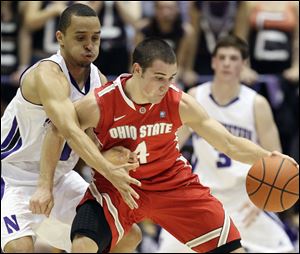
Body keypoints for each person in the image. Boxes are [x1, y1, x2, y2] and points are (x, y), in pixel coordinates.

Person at [47, 37, 298, 253]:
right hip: (119, 186)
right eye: (159, 78)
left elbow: (228, 143)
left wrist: (268, 156)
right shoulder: (100, 103)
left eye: (171, 78)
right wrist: (51, 182)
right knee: (82, 245)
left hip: (172, 185)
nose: (165, 86)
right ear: (137, 70)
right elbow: (60, 130)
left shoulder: (179, 102)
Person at [1, 3, 142, 253]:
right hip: (12, 176)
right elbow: (66, 129)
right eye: (81, 37)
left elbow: (93, 137)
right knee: (20, 249)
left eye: (95, 38)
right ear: (60, 38)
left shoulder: (98, 80)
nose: (90, 45)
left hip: (61, 177)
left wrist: (116, 155)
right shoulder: (47, 74)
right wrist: (107, 168)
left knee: (128, 235)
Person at [156, 35, 295, 253]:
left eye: (233, 58)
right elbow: (170, 144)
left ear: (244, 64)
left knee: (286, 249)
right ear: (213, 62)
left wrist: (261, 202)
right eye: (221, 57)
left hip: (245, 197)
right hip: (202, 196)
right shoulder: (194, 96)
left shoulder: (257, 104)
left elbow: (275, 160)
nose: (227, 63)